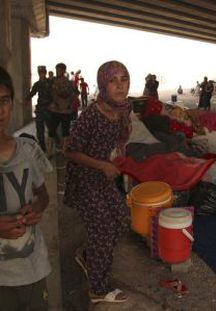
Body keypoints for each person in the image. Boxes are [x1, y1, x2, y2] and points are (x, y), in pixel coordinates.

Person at [63, 61, 131, 303]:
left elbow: (122, 133)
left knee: (122, 220)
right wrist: (102, 164)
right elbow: (69, 151)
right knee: (103, 228)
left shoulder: (123, 108)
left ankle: (89, 255)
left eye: (124, 79)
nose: (120, 86)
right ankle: (98, 289)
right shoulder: (92, 114)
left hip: (104, 175)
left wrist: (117, 154)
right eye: (113, 80)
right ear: (103, 83)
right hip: (85, 178)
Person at [0, 66, 52, 310]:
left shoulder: (28, 150)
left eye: (4, 101)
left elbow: (43, 195)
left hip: (32, 271)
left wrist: (37, 208)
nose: (0, 110)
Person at [49, 62, 77, 155]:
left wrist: (68, 102)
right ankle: (50, 151)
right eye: (57, 69)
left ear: (64, 71)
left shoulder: (69, 83)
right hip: (55, 110)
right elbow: (50, 94)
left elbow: (75, 94)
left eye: (59, 70)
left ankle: (64, 151)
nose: (57, 71)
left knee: (65, 132)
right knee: (51, 131)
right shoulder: (52, 81)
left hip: (65, 111)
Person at [26, 65, 52, 151]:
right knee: (40, 130)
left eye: (43, 72)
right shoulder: (37, 84)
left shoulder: (50, 82)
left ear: (45, 72)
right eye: (40, 73)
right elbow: (32, 93)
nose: (41, 74)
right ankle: (43, 147)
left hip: (49, 109)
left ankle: (54, 146)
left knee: (52, 129)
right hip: (41, 108)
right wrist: (27, 99)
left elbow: (54, 94)